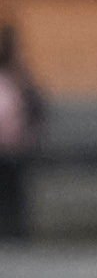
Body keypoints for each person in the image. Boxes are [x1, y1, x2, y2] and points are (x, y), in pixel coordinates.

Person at [0, 17, 41, 242]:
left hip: (16, 148)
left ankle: (15, 234)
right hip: (14, 146)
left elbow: (35, 105)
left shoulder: (19, 77)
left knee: (14, 195)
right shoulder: (16, 77)